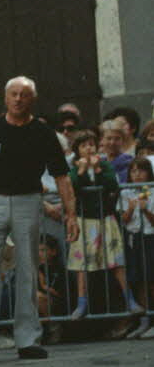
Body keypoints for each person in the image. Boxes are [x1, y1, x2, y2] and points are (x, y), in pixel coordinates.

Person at [0, 76, 78, 361]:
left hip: (28, 201)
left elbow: (61, 177)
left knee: (27, 269)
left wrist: (71, 215)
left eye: (23, 95)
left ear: (32, 100)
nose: (17, 99)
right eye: (13, 94)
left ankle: (27, 339)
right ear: (5, 98)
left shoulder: (43, 133)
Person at [66, 130, 137, 321]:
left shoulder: (105, 165)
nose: (88, 148)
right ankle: (81, 302)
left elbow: (112, 185)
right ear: (78, 150)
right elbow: (73, 186)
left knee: (117, 260)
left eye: (91, 144)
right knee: (82, 263)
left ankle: (129, 299)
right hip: (85, 220)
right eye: (84, 146)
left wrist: (97, 170)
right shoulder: (74, 168)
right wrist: (81, 171)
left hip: (105, 218)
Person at [120, 157, 154, 339]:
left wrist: (146, 209)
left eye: (141, 170)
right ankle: (145, 319)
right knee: (139, 278)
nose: (137, 175)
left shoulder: (153, 190)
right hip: (134, 237)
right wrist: (132, 209)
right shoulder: (125, 192)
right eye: (133, 171)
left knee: (152, 278)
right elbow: (124, 220)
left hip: (150, 237)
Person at [100, 119, 134, 183]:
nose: (112, 142)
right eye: (109, 138)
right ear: (102, 140)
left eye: (117, 139)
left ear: (123, 141)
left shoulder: (129, 162)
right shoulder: (99, 161)